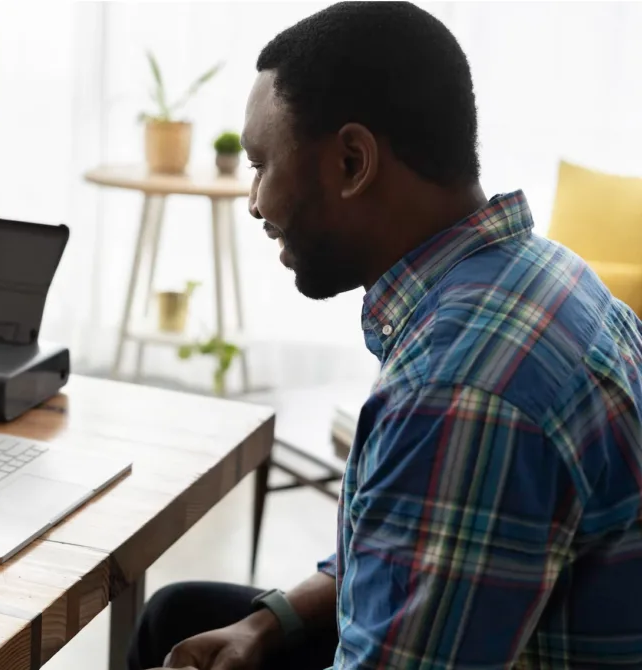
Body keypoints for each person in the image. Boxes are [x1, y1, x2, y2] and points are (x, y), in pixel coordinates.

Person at [130, 2, 642, 669]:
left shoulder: (459, 387)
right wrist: (267, 625)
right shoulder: (540, 275)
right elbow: (408, 545)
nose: (254, 201)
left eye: (262, 165)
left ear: (351, 161)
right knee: (186, 615)